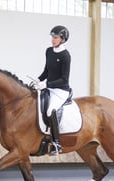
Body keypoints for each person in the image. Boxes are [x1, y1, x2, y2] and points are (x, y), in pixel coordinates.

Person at [30, 25, 71, 155]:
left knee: (50, 110)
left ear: (63, 39)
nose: (52, 40)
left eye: (55, 37)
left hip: (60, 91)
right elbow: (46, 71)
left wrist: (46, 85)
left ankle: (57, 143)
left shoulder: (65, 56)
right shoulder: (48, 51)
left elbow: (64, 79)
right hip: (49, 87)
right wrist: (37, 80)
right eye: (52, 37)